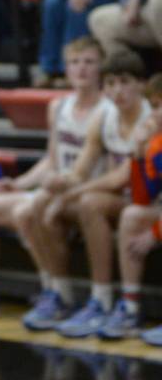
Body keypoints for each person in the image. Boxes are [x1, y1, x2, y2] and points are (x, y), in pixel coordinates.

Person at [0, 36, 109, 319]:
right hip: (58, 186)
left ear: (100, 68)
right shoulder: (58, 107)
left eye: (88, 62)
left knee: (28, 211)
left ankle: (56, 291)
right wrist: (18, 184)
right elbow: (51, 160)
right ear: (66, 69)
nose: (81, 69)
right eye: (74, 62)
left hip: (89, 189)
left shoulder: (107, 109)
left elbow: (80, 171)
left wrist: (51, 184)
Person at [30, 50, 150, 337]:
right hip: (127, 200)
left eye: (124, 82)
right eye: (111, 83)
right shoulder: (105, 117)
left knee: (88, 203)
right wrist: (61, 181)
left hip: (148, 200)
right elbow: (83, 167)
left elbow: (122, 178)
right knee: (42, 201)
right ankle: (61, 294)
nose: (117, 91)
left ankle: (104, 297)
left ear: (141, 85)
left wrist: (73, 193)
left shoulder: (150, 118)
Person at [97, 72, 162, 345]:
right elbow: (142, 198)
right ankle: (131, 307)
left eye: (160, 105)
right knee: (132, 215)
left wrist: (156, 234)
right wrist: (137, 154)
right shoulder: (156, 143)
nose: (156, 113)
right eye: (155, 106)